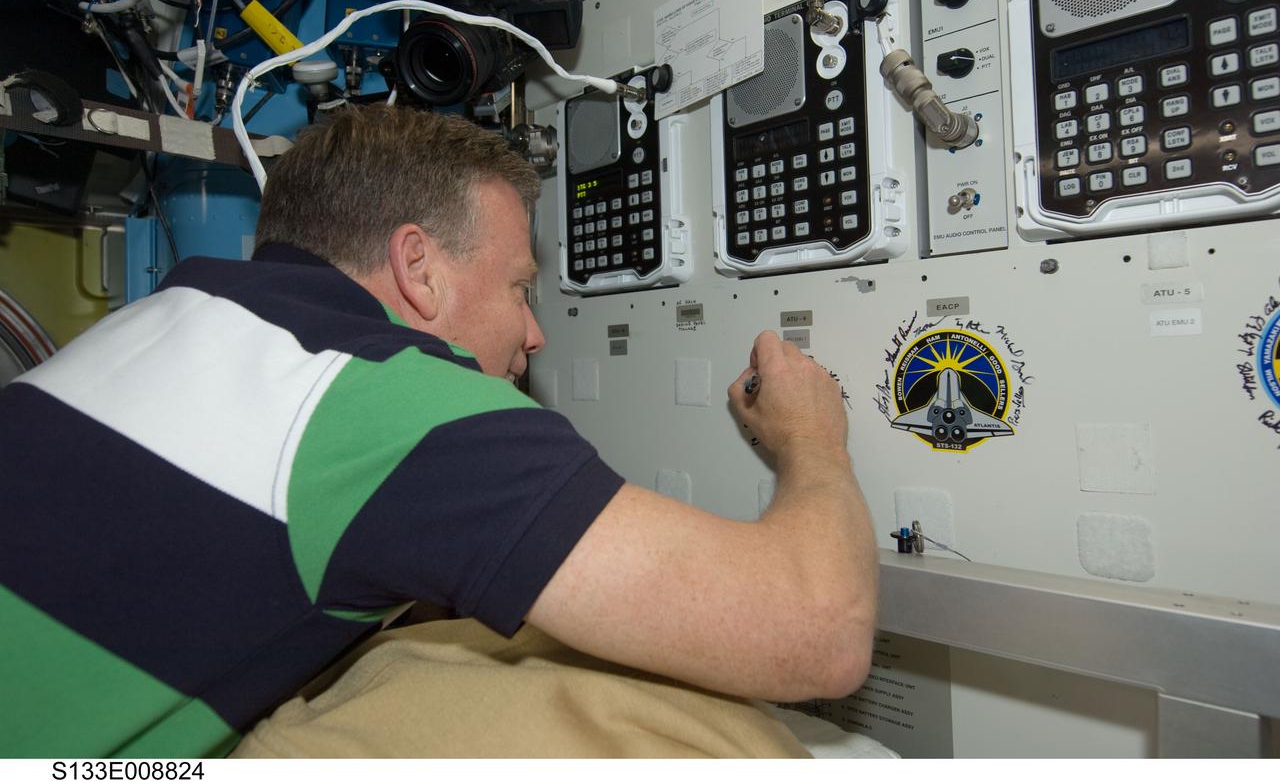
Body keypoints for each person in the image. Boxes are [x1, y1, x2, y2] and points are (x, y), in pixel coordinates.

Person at [0, 106, 878, 758]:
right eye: (518, 290)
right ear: (418, 269)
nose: (533, 336)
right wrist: (812, 439)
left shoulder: (165, 319)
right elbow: (818, 634)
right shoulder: (378, 392)